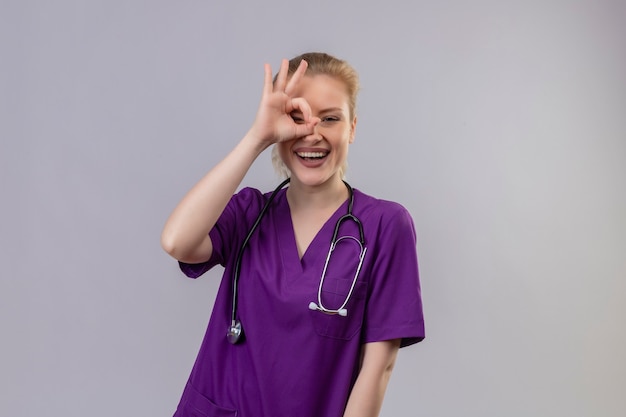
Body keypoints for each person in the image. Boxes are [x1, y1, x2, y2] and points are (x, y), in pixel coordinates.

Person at [161, 52, 425, 417]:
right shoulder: (249, 214)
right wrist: (257, 137)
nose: (311, 133)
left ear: (352, 128)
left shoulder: (384, 226)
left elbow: (378, 367)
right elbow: (177, 241)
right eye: (296, 118)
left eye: (330, 118)